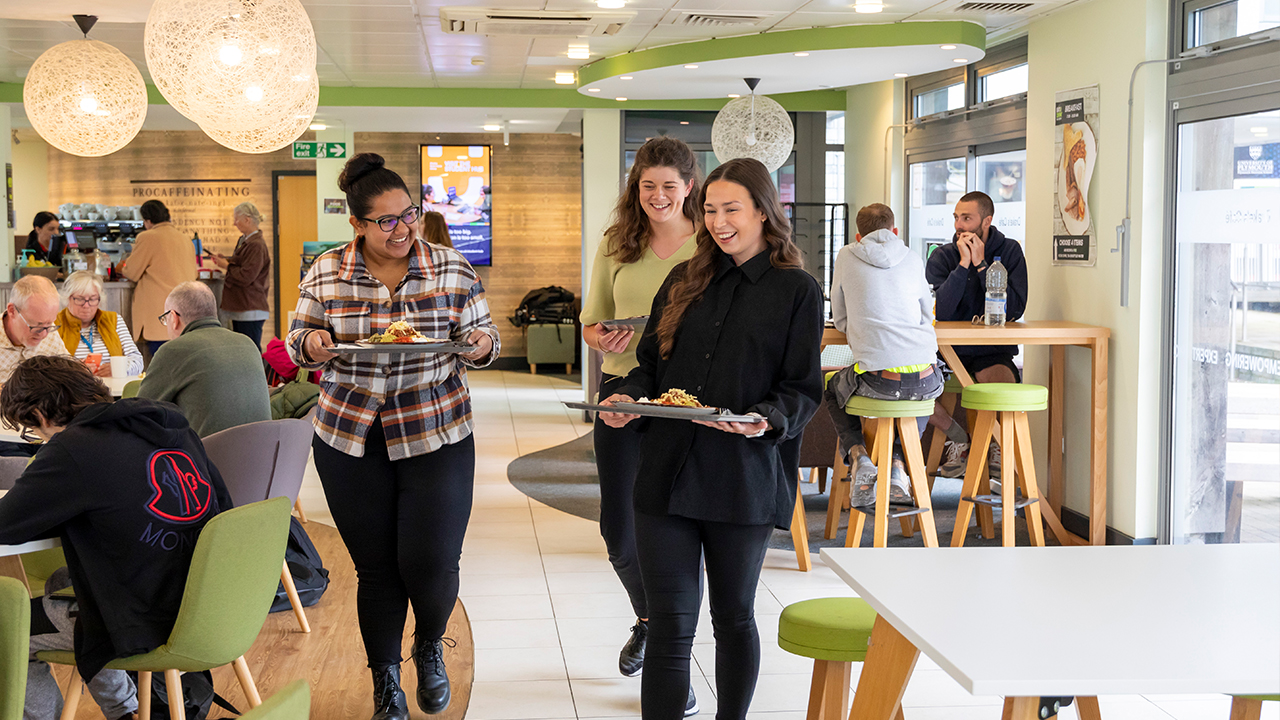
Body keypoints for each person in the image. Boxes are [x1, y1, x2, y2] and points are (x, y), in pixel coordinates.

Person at [600, 158, 823, 720]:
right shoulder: (684, 279)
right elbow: (649, 365)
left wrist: (764, 418)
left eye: (732, 210)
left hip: (741, 478)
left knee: (732, 618)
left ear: (764, 212)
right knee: (672, 626)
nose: (719, 222)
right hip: (667, 474)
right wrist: (627, 398)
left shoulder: (796, 289)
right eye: (711, 209)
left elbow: (801, 390)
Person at [286, 153, 500, 720]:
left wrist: (479, 345)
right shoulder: (327, 271)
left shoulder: (451, 267)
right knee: (377, 568)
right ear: (356, 223)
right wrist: (311, 346)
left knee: (432, 562)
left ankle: (429, 646)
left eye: (410, 214)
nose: (403, 229)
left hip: (436, 428)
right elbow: (298, 337)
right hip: (350, 436)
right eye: (386, 221)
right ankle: (385, 684)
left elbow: (482, 332)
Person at [0, 355, 232, 720]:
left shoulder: (72, 448)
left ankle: (126, 710)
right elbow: (223, 505)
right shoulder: (170, 426)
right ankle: (129, 712)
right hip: (207, 604)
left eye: (33, 430)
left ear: (40, 415)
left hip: (147, 617)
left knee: (5, 621)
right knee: (68, 584)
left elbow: (6, 524)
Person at [578, 136, 700, 704]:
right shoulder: (616, 242)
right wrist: (603, 336)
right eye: (647, 186)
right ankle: (651, 620)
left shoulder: (709, 243)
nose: (657, 196)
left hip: (688, 400)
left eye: (668, 187)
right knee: (620, 534)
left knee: (678, 532)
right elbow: (592, 322)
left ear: (689, 187)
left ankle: (674, 650)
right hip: (623, 393)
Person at [824, 204, 943, 507]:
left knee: (831, 387)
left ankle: (859, 456)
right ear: (895, 232)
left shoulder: (847, 255)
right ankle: (898, 466)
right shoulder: (914, 257)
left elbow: (839, 318)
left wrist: (861, 329)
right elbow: (926, 313)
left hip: (879, 380)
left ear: (858, 235)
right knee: (921, 396)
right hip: (925, 376)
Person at [925, 190, 1028, 477]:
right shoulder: (942, 256)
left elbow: (1015, 309)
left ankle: (994, 446)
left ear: (986, 221)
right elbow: (942, 312)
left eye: (966, 218)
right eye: (956, 217)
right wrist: (963, 265)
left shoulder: (1009, 252)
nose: (959, 225)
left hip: (990, 350)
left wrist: (983, 266)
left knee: (1000, 384)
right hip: (945, 353)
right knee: (909, 388)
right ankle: (959, 437)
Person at [136, 282, 271, 438]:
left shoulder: (174, 350)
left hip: (207, 459)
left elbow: (140, 413)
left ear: (173, 318)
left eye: (165, 319)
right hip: (263, 455)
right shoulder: (248, 344)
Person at [120, 199, 197, 357]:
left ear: (147, 220)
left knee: (161, 361)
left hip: (159, 311)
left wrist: (121, 267)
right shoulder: (185, 238)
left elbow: (132, 272)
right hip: (185, 309)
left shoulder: (148, 237)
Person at [56, 270, 144, 377]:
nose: (86, 305)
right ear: (68, 298)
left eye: (92, 299)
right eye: (80, 299)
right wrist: (74, 370)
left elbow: (138, 361)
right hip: (73, 390)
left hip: (113, 390)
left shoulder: (114, 320)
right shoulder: (55, 324)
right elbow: (46, 366)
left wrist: (118, 369)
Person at [211, 201, 272, 348]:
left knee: (249, 349)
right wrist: (227, 260)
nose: (234, 223)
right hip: (243, 306)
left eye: (236, 219)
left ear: (247, 219)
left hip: (249, 307)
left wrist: (226, 265)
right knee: (242, 348)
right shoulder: (245, 240)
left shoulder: (256, 244)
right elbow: (242, 263)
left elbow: (247, 275)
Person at [0, 275, 70, 383]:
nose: (43, 334)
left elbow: (69, 372)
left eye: (49, 324)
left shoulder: (49, 333)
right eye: (36, 325)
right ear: (12, 311)